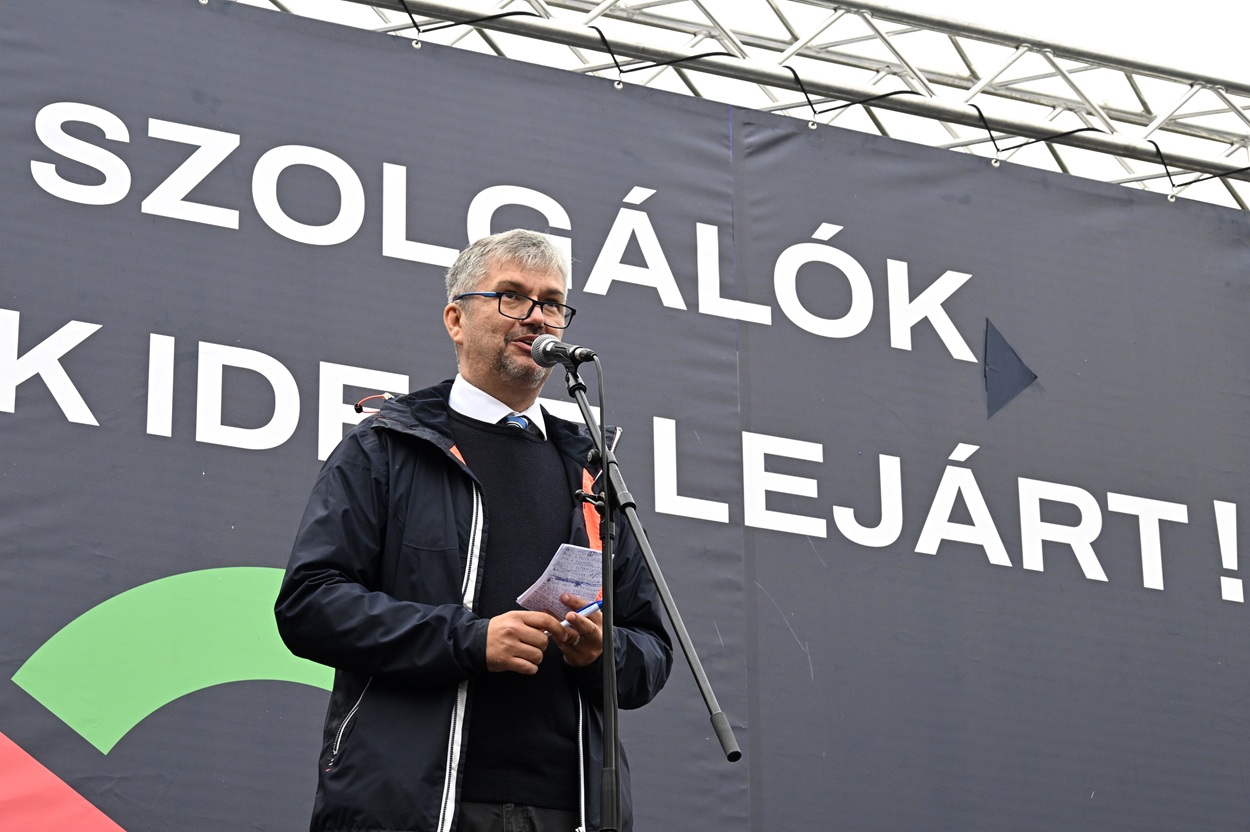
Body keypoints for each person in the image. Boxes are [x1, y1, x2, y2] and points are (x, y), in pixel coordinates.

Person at [275, 229, 673, 832]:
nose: (535, 316)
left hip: (570, 811)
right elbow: (310, 605)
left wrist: (600, 652)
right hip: (414, 808)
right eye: (512, 296)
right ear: (456, 320)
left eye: (551, 303)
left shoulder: (594, 471)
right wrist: (470, 641)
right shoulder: (386, 447)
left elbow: (652, 650)